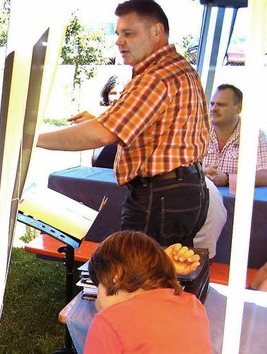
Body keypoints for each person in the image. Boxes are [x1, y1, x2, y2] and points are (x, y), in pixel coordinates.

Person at [36, 0, 210, 247]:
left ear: (156, 32)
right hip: (181, 190)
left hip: (160, 195)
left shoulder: (155, 76)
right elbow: (158, 129)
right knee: (165, 270)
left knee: (138, 275)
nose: (119, 41)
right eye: (118, 33)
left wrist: (30, 138)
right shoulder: (179, 67)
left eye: (129, 33)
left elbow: (102, 135)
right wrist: (101, 120)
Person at [84, 230, 211, 353]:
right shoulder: (193, 306)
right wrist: (162, 268)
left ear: (115, 276)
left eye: (99, 283)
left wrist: (104, 314)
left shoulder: (108, 323)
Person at [203, 84, 267, 187]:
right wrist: (199, 173)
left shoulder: (252, 134)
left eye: (221, 105)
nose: (214, 109)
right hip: (198, 198)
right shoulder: (199, 131)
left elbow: (264, 175)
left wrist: (227, 179)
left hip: (234, 202)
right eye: (212, 104)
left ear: (239, 108)